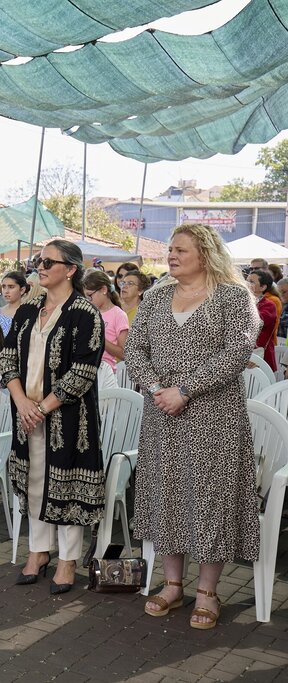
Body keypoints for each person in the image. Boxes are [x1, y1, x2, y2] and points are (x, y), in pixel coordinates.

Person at [125, 223, 261, 630]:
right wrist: (157, 388)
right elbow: (135, 347)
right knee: (167, 492)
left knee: (210, 497)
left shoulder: (233, 296)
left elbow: (237, 350)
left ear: (205, 253)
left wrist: (186, 390)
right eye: (170, 249)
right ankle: (172, 585)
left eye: (180, 249)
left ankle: (207, 591)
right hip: (161, 413)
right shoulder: (156, 295)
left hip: (213, 415)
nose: (171, 255)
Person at [1, 239, 105, 593]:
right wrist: (21, 402)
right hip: (26, 411)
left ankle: (68, 559)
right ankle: (38, 551)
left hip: (68, 418)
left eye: (48, 262)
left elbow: (82, 371)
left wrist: (42, 407)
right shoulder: (28, 309)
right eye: (38, 261)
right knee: (34, 481)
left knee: (67, 485)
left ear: (71, 269)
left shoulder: (85, 313)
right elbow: (7, 357)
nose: (40, 267)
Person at [84, 270, 129, 371]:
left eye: (90, 296)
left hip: (105, 371)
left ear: (104, 290)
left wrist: (99, 338)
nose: (88, 301)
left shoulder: (118, 315)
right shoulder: (89, 312)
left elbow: (124, 354)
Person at [246, 269, 278, 372]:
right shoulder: (243, 302)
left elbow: (255, 322)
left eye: (252, 282)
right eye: (247, 280)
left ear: (263, 287)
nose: (247, 284)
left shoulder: (269, 305)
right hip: (243, 356)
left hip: (261, 357)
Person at [0, 271, 29, 338]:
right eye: (4, 287)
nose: (6, 291)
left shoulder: (28, 313)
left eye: (11, 287)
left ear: (22, 290)